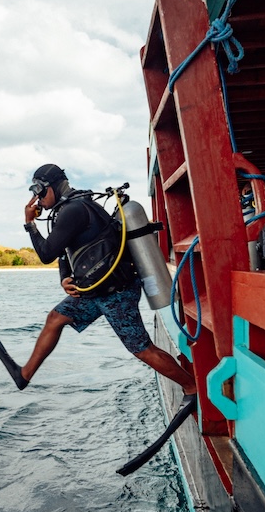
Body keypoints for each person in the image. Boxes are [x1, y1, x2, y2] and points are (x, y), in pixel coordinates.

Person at [11, 163, 197, 397]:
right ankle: (25, 375)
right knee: (55, 318)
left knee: (142, 349)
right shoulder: (69, 209)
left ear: (53, 187)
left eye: (38, 191)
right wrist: (64, 278)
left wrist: (29, 224)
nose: (36, 199)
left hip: (115, 292)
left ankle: (191, 386)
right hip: (96, 291)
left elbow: (46, 253)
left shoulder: (74, 210)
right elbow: (64, 250)